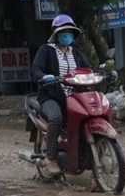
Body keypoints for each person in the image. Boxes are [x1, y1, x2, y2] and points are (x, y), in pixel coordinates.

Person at [30, 14, 91, 175]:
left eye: (70, 33)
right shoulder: (46, 50)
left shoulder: (75, 52)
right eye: (64, 32)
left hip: (75, 97)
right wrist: (43, 76)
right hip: (51, 96)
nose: (67, 36)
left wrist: (102, 72)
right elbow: (35, 69)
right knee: (56, 117)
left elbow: (88, 69)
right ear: (57, 34)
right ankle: (50, 158)